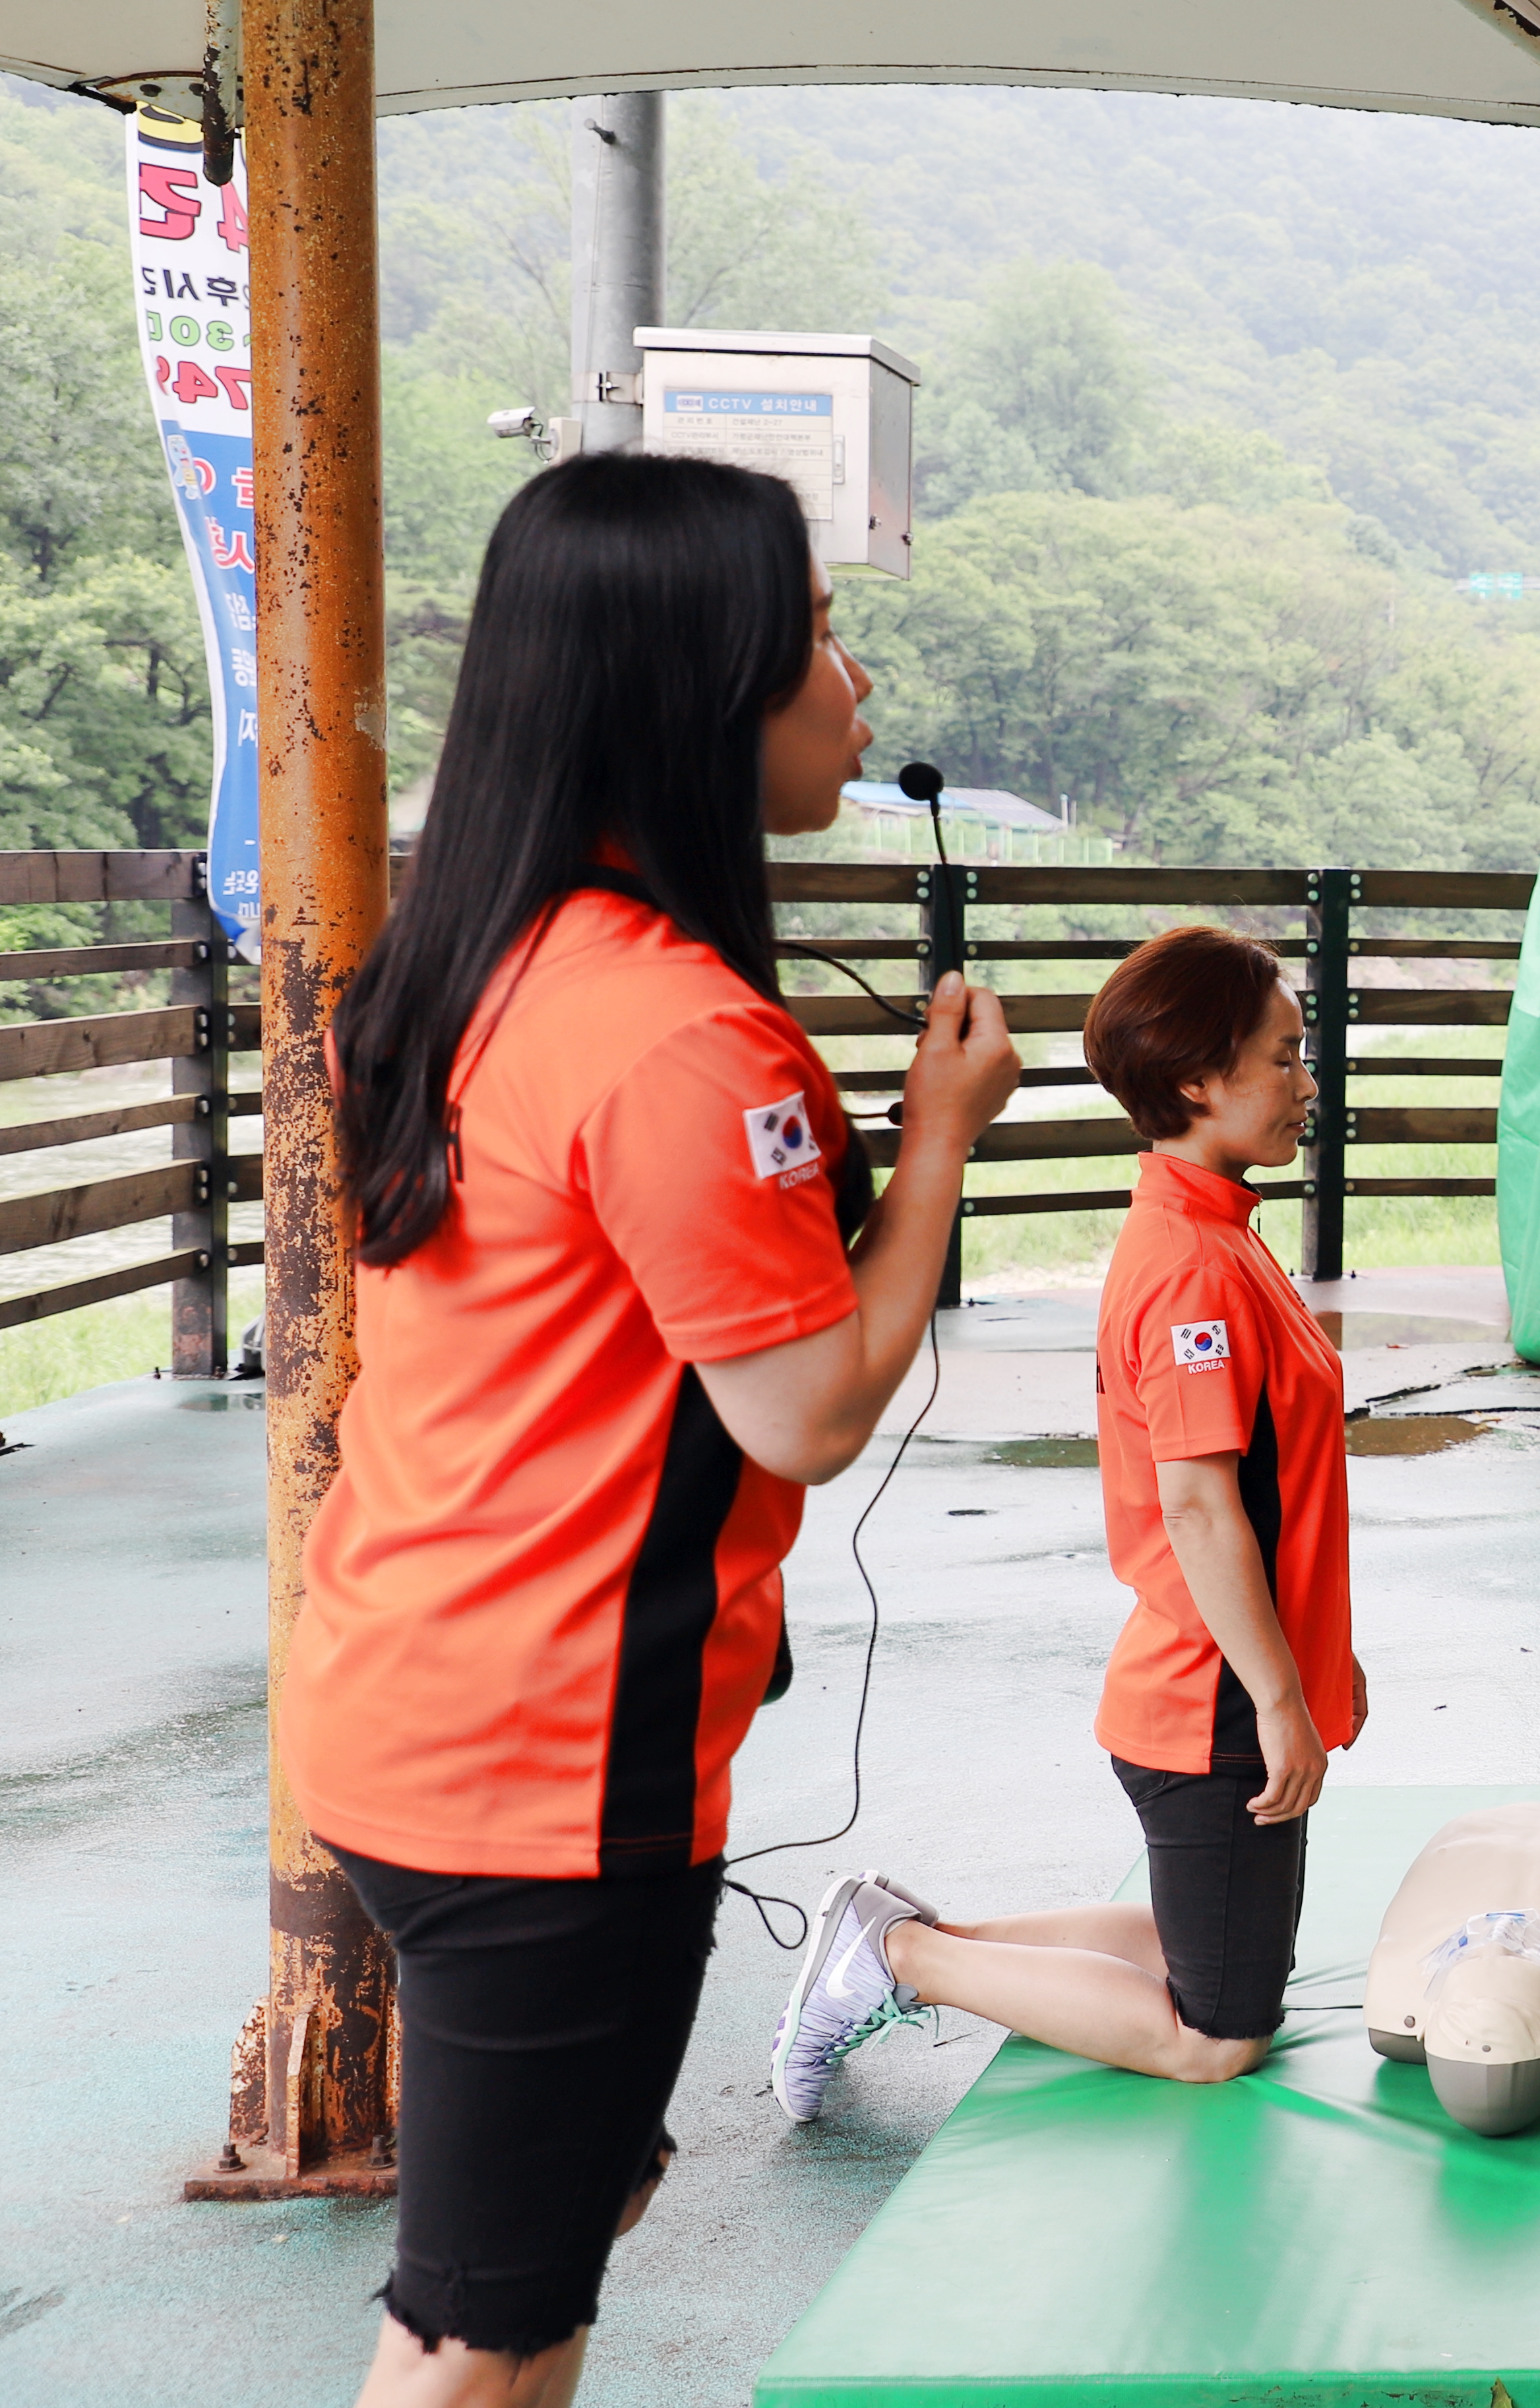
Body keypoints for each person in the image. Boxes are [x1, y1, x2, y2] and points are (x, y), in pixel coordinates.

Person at [273, 454, 1022, 2407]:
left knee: (542, 2243)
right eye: (818, 638)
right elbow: (804, 1409)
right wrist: (935, 1145)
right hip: (542, 1770)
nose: (853, 684)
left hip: (400, 1687)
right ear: (702, 686)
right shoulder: (685, 1034)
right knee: (477, 2342)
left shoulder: (474, 964)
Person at [772, 925, 1371, 2128]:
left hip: (1216, 1678)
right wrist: (1280, 1696)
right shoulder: (1197, 1268)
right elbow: (1198, 1504)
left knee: (1203, 1955)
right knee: (1218, 2036)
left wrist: (1315, 1657)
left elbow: (1265, 1491)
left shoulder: (1215, 1233)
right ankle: (901, 1959)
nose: (1308, 1082)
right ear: (1200, 1080)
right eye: (1285, 1056)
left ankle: (885, 1929)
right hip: (1206, 1703)